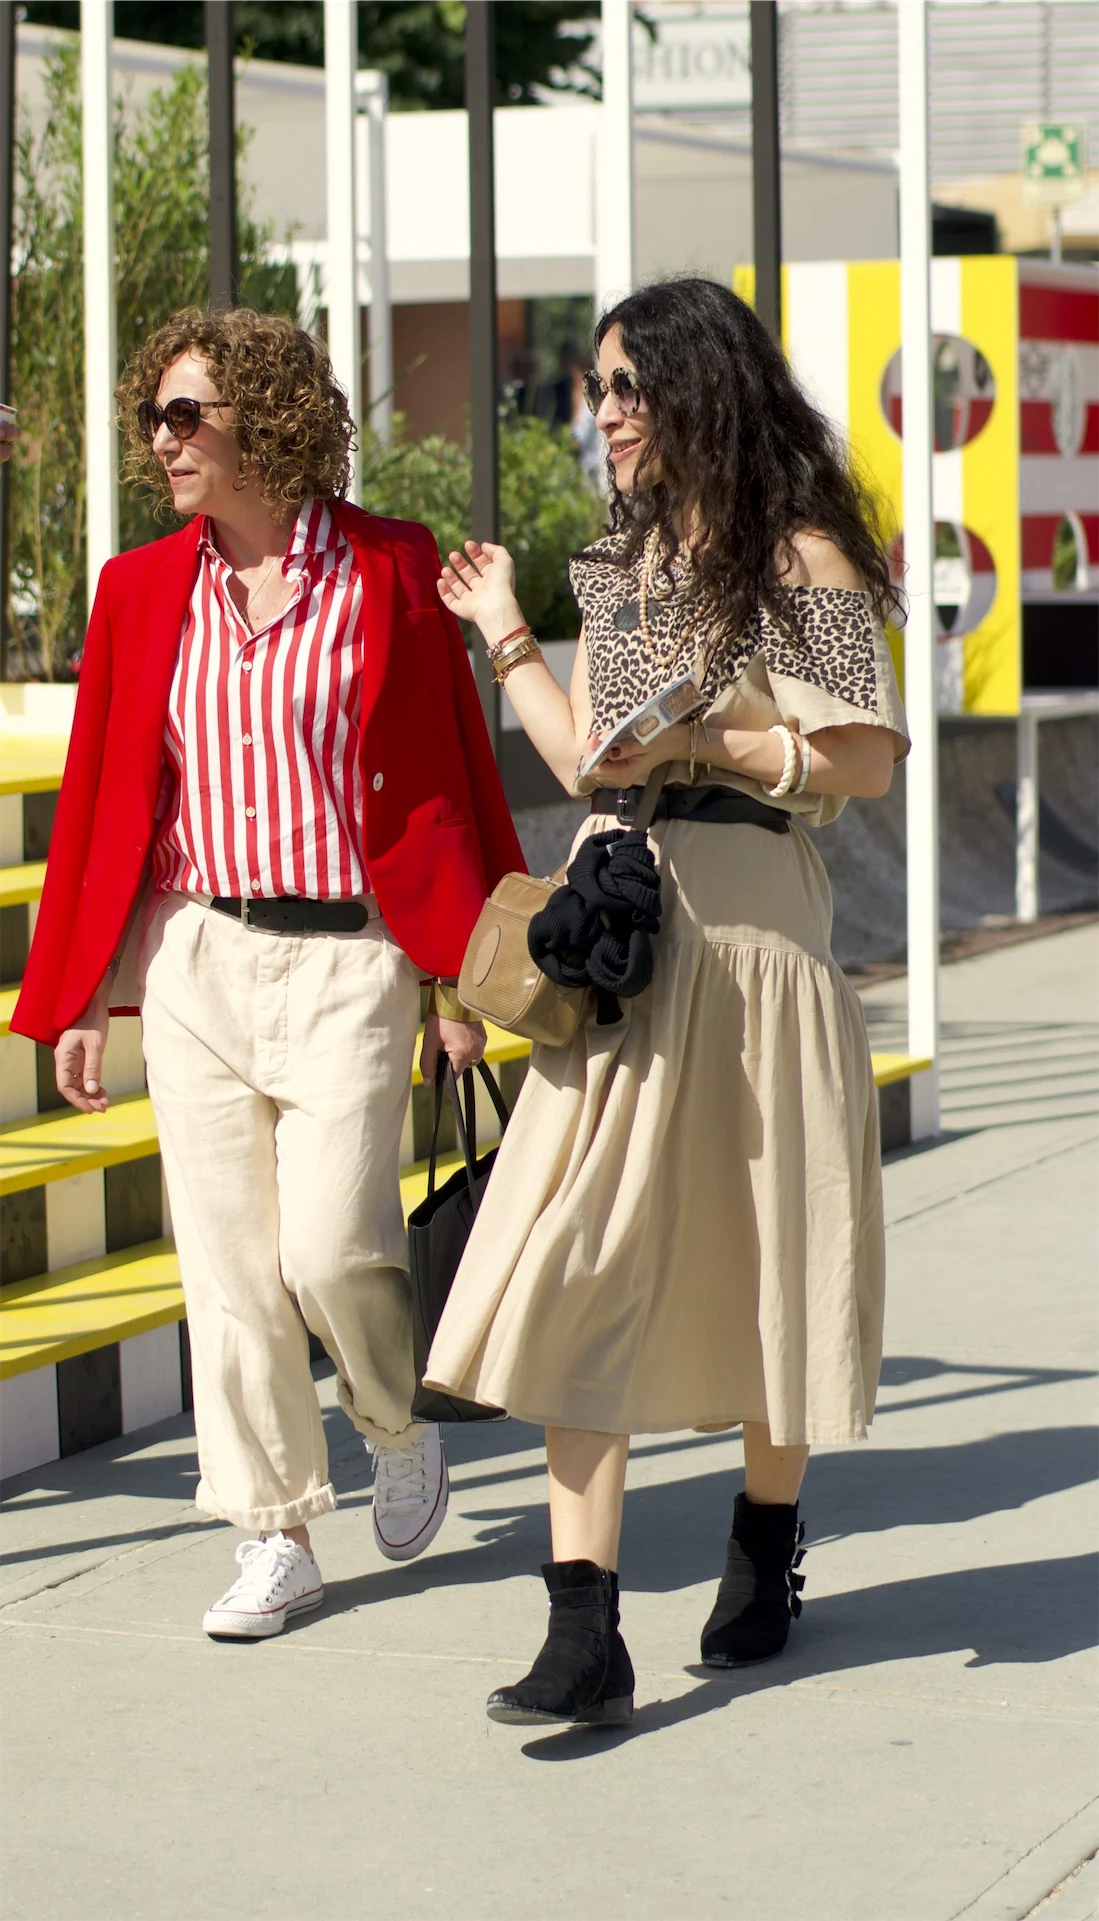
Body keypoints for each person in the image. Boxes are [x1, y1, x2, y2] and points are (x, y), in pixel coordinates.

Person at [425, 276, 909, 1727]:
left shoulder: (803, 555)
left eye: (630, 386)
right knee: (579, 1258)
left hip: (759, 933)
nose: (609, 414)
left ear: (703, 388)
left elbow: (865, 761)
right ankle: (584, 1629)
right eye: (598, 389)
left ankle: (764, 1541)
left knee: (770, 1251)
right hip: (630, 941)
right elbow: (592, 755)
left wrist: (715, 739)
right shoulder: (626, 567)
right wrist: (507, 633)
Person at [13, 306, 523, 1639]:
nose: (163, 440)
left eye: (188, 414)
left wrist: (459, 980)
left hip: (351, 957)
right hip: (196, 954)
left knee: (334, 1250)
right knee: (230, 1270)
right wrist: (85, 993)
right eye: (155, 417)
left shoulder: (390, 566)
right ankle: (274, 1530)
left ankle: (394, 1422)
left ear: (269, 419)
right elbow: (105, 800)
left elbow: (448, 779)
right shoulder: (140, 589)